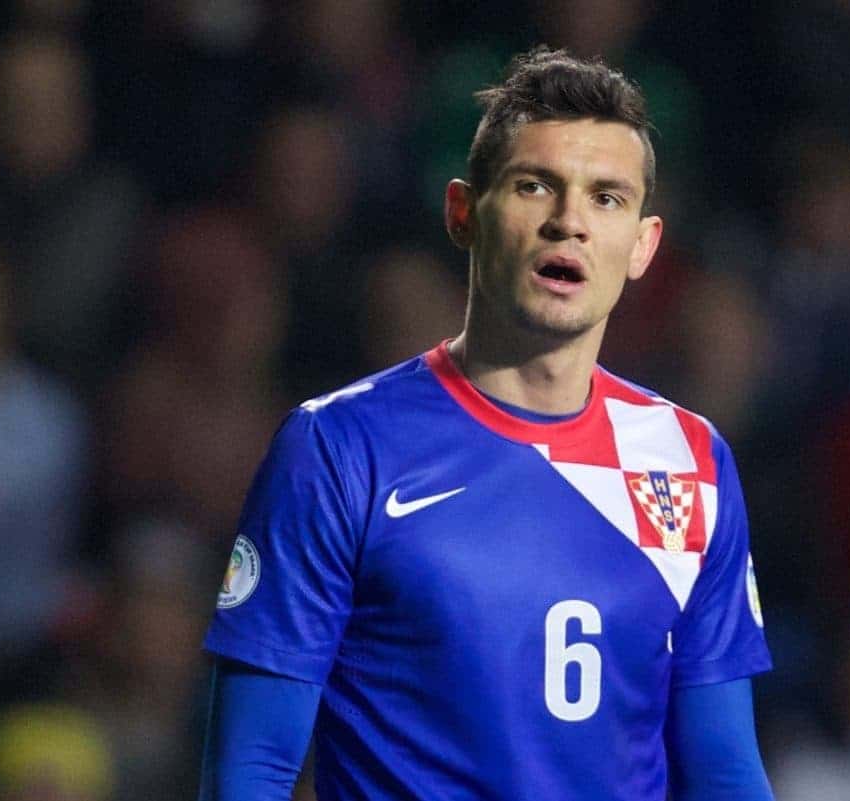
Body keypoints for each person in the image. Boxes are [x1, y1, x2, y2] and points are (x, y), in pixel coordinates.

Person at [200, 47, 774, 800]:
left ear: (642, 245)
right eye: (536, 186)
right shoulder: (340, 447)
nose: (569, 222)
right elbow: (252, 769)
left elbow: (726, 772)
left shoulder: (690, 460)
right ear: (464, 213)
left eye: (606, 198)